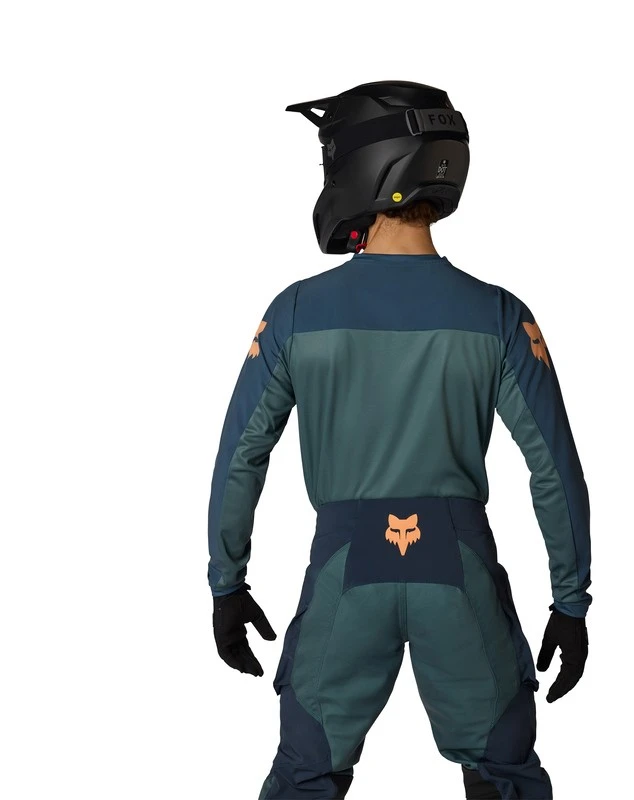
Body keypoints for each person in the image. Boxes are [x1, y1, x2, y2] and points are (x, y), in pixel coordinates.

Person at [208, 80, 591, 800]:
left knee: (306, 774)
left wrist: (226, 584)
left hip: (345, 568)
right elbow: (554, 468)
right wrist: (570, 601)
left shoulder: (296, 312)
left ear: (357, 168)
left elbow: (241, 458)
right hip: (461, 568)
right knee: (504, 772)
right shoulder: (499, 314)